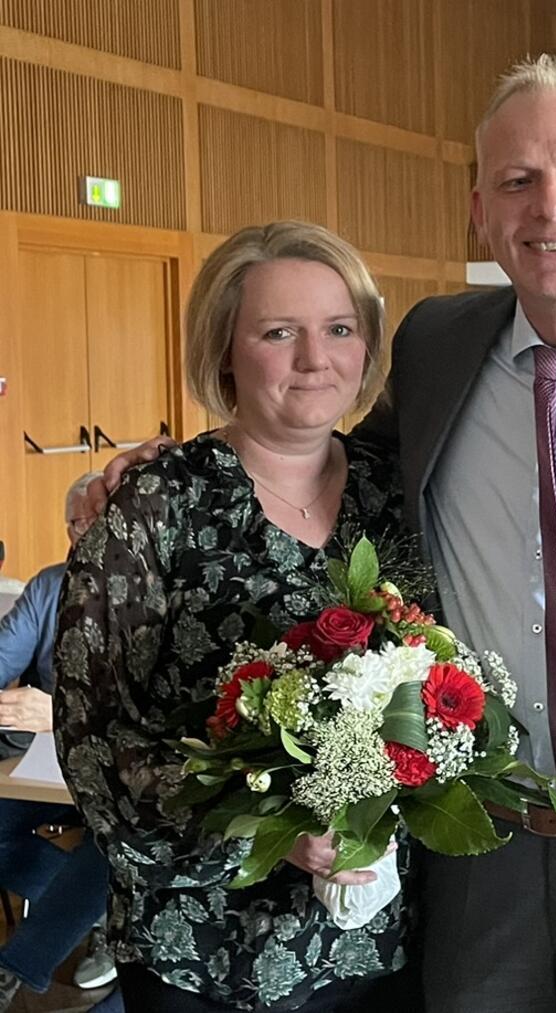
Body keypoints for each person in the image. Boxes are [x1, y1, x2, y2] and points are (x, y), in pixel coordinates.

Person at [87, 57, 556, 1010]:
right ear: (480, 210)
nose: (549, 205)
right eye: (517, 180)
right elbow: (317, 455)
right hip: (475, 852)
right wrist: (153, 470)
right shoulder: (438, 348)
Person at [54, 222, 418, 1011]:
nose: (315, 359)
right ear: (225, 349)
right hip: (203, 952)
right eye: (278, 332)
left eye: (339, 329)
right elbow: (93, 742)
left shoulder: (402, 493)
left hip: (377, 948)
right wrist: (269, 824)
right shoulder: (154, 507)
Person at [0, 476, 114, 1011]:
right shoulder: (49, 586)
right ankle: (107, 919)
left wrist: (61, 714)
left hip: (123, 776)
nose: (85, 531)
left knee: (117, 843)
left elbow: (160, 715)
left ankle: (17, 966)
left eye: (97, 517)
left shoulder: (160, 593)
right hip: (50, 770)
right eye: (75, 521)